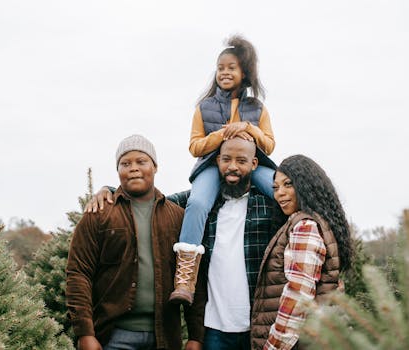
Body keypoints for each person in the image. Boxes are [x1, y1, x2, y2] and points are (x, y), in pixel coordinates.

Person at [85, 137, 282, 350]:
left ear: (253, 164)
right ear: (217, 161)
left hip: (258, 323)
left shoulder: (268, 206)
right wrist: (110, 190)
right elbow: (150, 202)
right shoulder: (198, 204)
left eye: (241, 161)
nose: (232, 166)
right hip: (213, 327)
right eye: (226, 159)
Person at [66, 134, 205, 350]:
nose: (133, 168)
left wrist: (196, 336)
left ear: (155, 167)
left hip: (164, 337)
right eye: (125, 163)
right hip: (113, 336)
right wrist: (85, 333)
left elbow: (194, 277)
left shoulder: (177, 217)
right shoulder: (99, 214)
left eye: (141, 161)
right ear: (118, 170)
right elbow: (78, 273)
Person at [170, 35, 276, 305]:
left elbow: (270, 145)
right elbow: (195, 146)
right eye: (221, 68)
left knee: (281, 189)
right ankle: (185, 279)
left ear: (245, 73)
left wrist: (249, 128)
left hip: (249, 166)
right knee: (197, 203)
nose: (225, 72)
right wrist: (221, 135)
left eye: (231, 68)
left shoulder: (257, 108)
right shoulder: (203, 107)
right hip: (211, 165)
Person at [251, 155, 353, 350]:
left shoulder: (304, 226)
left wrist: (274, 346)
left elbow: (298, 297)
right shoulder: (317, 222)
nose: (280, 193)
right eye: (275, 187)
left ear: (306, 185)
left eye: (288, 184)